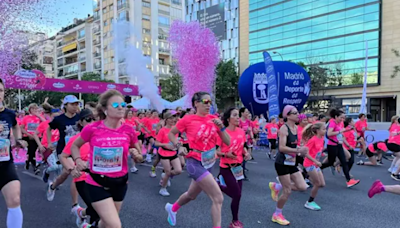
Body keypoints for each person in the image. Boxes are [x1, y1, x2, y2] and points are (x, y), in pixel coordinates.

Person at [72, 89, 143, 228]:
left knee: (105, 224)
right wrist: (78, 160)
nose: (121, 108)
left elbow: (139, 155)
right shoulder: (92, 129)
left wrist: (137, 155)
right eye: (116, 105)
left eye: (123, 105)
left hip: (120, 182)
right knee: (115, 225)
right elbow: (75, 146)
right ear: (105, 109)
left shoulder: (129, 130)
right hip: (97, 182)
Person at [165, 91, 230, 228]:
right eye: (205, 102)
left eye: (210, 102)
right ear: (196, 103)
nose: (209, 105)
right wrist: (179, 146)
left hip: (209, 162)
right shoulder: (188, 119)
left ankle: (173, 208)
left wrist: (222, 128)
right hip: (195, 163)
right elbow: (172, 133)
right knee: (218, 198)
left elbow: (228, 142)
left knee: (191, 195)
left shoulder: (214, 119)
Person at [268, 105, 308, 226]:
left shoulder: (296, 128)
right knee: (288, 191)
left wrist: (300, 149)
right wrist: (298, 151)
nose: (298, 115)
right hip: (282, 162)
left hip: (292, 162)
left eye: (298, 112)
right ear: (288, 115)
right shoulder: (284, 129)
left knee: (303, 186)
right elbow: (281, 147)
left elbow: (295, 145)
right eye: (295, 113)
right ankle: (277, 214)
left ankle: (277, 186)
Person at [60, 109, 100, 227]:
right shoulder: (76, 139)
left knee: (100, 210)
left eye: (94, 119)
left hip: (99, 179)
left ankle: (81, 213)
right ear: (81, 122)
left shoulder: (101, 138)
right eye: (88, 119)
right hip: (82, 179)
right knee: (98, 210)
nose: (92, 122)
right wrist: (72, 169)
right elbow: (63, 156)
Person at [216, 108, 251, 228]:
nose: (237, 117)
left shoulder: (241, 132)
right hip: (226, 167)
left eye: (238, 115)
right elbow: (217, 152)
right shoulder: (222, 132)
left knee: (238, 195)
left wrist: (246, 153)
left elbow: (243, 146)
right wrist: (226, 155)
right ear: (228, 119)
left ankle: (234, 221)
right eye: (235, 115)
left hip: (238, 168)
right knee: (237, 194)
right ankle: (235, 221)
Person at [0, 78, 27, 228]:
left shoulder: (9, 114)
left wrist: (18, 139)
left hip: (5, 163)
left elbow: (16, 126)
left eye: (1, 90)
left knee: (15, 200)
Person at [46, 95, 81, 203]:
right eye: (72, 104)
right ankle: (75, 206)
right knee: (71, 171)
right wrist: (49, 142)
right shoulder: (59, 119)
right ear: (65, 105)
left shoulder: (80, 118)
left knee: (68, 173)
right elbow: (48, 129)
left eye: (76, 104)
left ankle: (53, 186)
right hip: (64, 150)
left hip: (78, 149)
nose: (75, 106)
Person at [320, 109, 360, 188]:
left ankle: (349, 181)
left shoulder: (339, 123)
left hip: (338, 145)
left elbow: (340, 133)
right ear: (336, 117)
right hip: (332, 145)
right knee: (330, 162)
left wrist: (343, 132)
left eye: (344, 118)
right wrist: (340, 132)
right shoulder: (332, 122)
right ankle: (311, 170)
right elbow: (329, 133)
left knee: (344, 161)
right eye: (341, 118)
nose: (342, 119)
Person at [155, 110, 182, 196]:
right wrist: (165, 144)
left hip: (173, 153)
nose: (172, 120)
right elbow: (156, 143)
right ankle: (163, 189)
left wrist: (179, 144)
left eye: (173, 118)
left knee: (178, 170)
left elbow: (177, 140)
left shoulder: (175, 129)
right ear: (166, 119)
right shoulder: (162, 130)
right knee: (167, 172)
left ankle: (165, 177)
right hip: (164, 153)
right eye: (170, 118)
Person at [302, 122, 326, 211]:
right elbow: (305, 153)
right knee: (317, 183)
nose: (325, 131)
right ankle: (309, 202)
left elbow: (318, 150)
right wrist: (315, 161)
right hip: (309, 164)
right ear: (317, 130)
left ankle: (304, 178)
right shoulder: (313, 140)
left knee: (322, 184)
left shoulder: (322, 138)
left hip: (315, 164)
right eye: (323, 129)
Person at [20, 103, 45, 174]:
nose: (34, 110)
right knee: (32, 150)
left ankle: (28, 162)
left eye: (35, 108)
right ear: (30, 110)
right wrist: (28, 134)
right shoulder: (26, 118)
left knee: (34, 150)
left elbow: (46, 123)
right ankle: (35, 167)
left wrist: (38, 116)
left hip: (37, 137)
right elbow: (21, 128)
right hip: (28, 137)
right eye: (33, 108)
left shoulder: (39, 117)